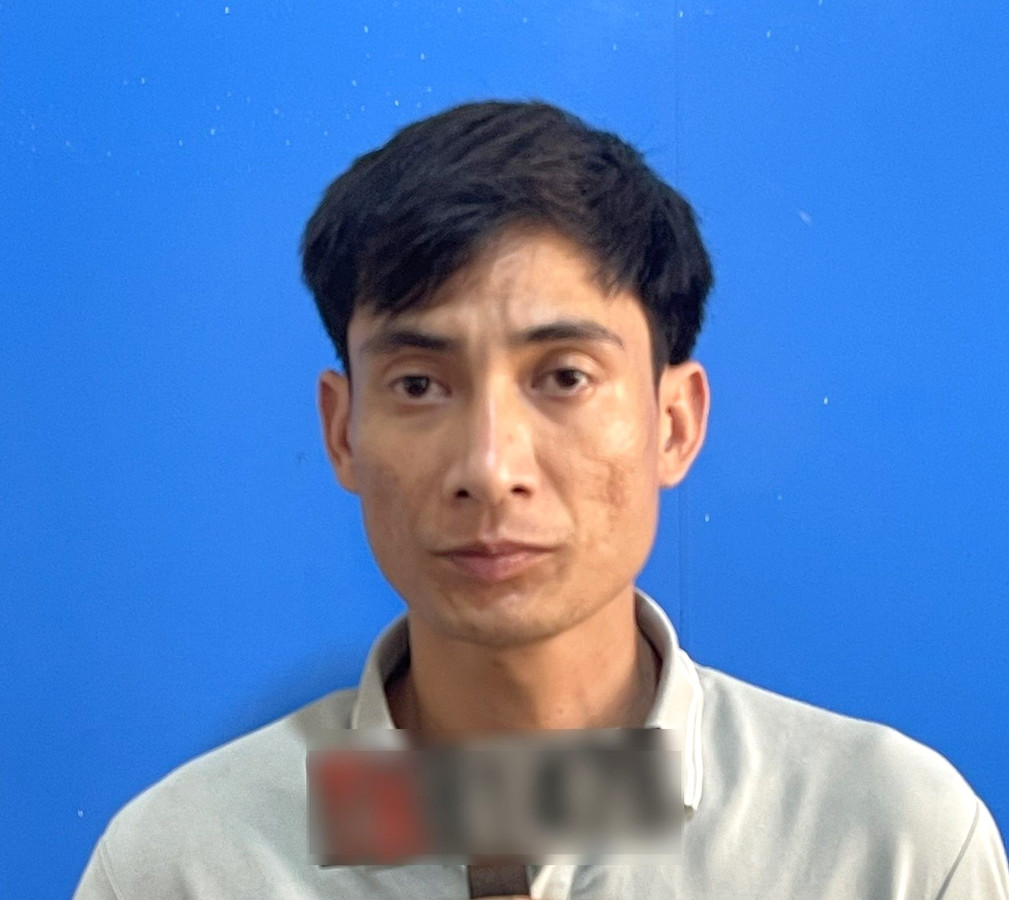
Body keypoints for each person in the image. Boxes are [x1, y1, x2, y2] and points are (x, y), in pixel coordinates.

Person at [74, 100, 1009, 899]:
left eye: (563, 376)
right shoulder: (184, 865)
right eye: (417, 385)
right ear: (342, 430)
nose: (490, 466)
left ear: (673, 424)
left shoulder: (884, 845)